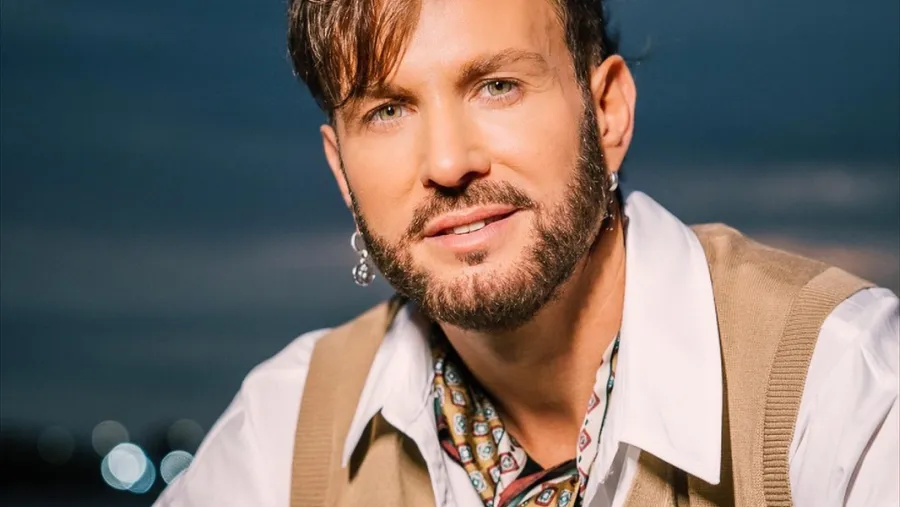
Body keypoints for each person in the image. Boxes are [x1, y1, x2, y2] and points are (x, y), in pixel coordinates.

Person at [154, 0, 899, 505]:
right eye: (388, 110)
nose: (448, 162)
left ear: (607, 113)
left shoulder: (844, 386)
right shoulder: (285, 431)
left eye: (497, 85)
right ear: (342, 173)